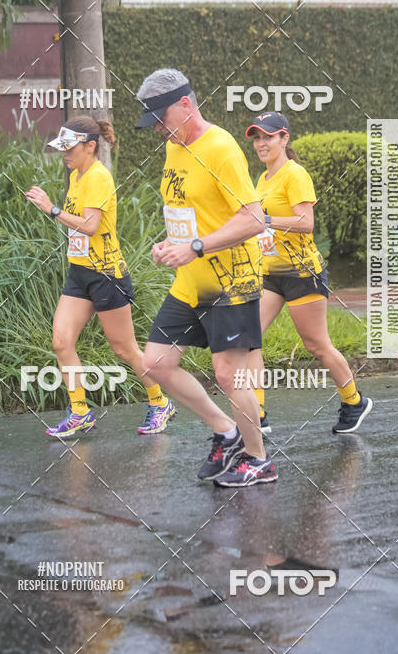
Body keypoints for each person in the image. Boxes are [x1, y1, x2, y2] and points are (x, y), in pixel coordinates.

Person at [136, 68, 277, 487]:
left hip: (232, 276)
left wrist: (196, 246)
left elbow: (253, 218)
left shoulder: (221, 148)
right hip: (191, 278)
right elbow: (189, 212)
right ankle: (225, 430)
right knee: (156, 363)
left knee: (228, 375)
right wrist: (171, 243)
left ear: (186, 104)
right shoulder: (174, 146)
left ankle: (258, 460)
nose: (159, 129)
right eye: (153, 123)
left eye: (162, 118)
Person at [25, 116, 176, 438]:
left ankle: (160, 402)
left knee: (124, 348)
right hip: (80, 272)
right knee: (61, 340)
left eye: (70, 148)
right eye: (61, 148)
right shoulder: (78, 176)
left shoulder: (97, 177)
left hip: (106, 275)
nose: (64, 154)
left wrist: (51, 208)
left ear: (90, 146)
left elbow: (90, 226)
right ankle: (79, 411)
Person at [245, 111, 372, 434]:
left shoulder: (294, 174)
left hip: (303, 274)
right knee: (248, 338)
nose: (261, 143)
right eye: (257, 138)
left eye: (268, 137)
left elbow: (306, 223)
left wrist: (267, 222)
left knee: (316, 345)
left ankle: (354, 400)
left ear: (284, 138)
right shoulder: (263, 178)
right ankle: (256, 416)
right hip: (271, 274)